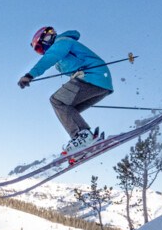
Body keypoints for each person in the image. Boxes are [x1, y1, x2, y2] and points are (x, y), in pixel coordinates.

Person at [17, 26, 114, 154]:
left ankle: (82, 137)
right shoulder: (63, 50)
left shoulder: (62, 42)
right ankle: (86, 140)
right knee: (67, 110)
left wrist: (30, 75)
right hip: (101, 83)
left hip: (92, 77)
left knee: (57, 101)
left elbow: (50, 57)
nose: (44, 49)